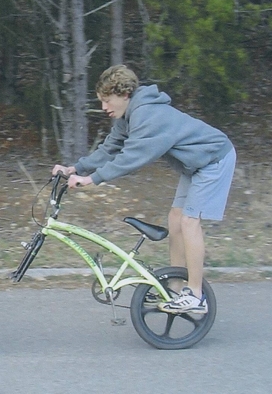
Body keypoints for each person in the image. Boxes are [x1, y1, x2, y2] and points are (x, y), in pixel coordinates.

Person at [52, 65, 236, 314]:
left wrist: (91, 180)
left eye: (107, 100)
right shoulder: (127, 117)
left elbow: (132, 158)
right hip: (196, 165)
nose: (104, 107)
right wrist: (75, 169)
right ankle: (175, 287)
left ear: (124, 94)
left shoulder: (148, 116)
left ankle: (195, 295)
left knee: (189, 221)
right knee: (175, 219)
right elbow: (110, 149)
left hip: (213, 160)